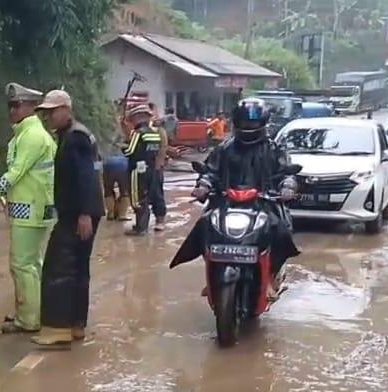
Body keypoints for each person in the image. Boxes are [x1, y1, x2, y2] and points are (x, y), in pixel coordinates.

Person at [0, 83, 56, 334]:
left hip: (33, 209)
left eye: (17, 105)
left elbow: (13, 176)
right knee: (29, 264)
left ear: (32, 107)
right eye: (10, 105)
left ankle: (29, 319)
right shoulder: (24, 134)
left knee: (23, 265)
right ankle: (30, 311)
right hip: (28, 208)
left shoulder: (33, 137)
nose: (12, 110)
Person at [186, 98, 300, 289]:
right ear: (237, 123)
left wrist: (287, 186)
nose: (250, 126)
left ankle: (273, 275)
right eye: (246, 123)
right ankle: (212, 270)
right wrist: (203, 186)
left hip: (264, 203)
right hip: (226, 202)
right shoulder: (224, 148)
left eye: (254, 123)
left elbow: (286, 172)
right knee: (204, 225)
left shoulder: (274, 149)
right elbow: (210, 171)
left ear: (263, 123)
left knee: (281, 229)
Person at [30, 90, 104, 347]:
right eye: (46, 113)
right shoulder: (74, 134)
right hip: (82, 212)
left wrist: (84, 213)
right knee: (78, 269)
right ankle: (76, 324)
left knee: (58, 268)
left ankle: (57, 328)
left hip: (78, 214)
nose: (48, 117)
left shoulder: (75, 138)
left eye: (52, 112)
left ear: (66, 109)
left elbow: (87, 176)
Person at [123, 104, 168, 234]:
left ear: (137, 118)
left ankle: (141, 227)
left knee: (138, 198)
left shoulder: (138, 133)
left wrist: (122, 147)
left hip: (138, 170)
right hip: (153, 168)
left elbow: (130, 151)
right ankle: (152, 224)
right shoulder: (155, 133)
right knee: (153, 195)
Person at [102, 111, 132, 221]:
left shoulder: (102, 131)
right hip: (122, 163)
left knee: (108, 189)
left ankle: (110, 213)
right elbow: (130, 141)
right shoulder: (122, 129)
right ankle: (122, 214)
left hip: (107, 162)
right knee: (125, 190)